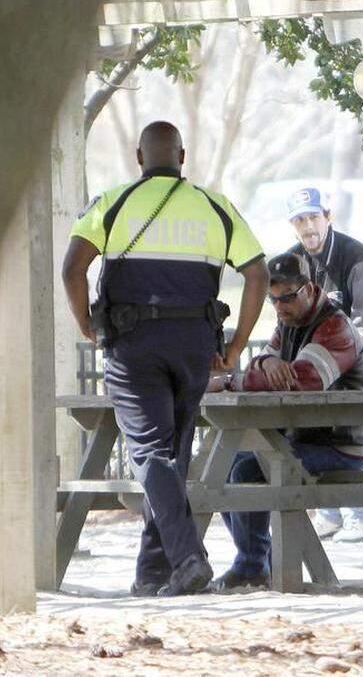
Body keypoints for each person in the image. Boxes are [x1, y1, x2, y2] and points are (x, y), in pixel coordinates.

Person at [61, 121, 268, 597]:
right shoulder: (215, 207)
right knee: (172, 456)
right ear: (183, 156)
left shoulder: (112, 204)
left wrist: (85, 325)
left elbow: (73, 267)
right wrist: (235, 348)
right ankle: (154, 572)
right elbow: (257, 273)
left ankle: (188, 557)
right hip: (195, 343)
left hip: (134, 345)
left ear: (139, 158)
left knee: (150, 453)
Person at [209, 251, 363, 590]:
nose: (280, 307)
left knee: (246, 471)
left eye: (287, 298)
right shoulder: (289, 323)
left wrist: (231, 381)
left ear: (310, 289)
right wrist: (266, 366)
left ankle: (253, 566)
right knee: (225, 465)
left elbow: (303, 379)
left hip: (342, 446)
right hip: (304, 439)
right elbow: (265, 363)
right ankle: (257, 562)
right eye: (273, 300)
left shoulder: (335, 326)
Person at [285, 186, 363, 542]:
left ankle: (359, 514)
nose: (308, 226)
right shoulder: (291, 263)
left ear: (328, 217)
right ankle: (329, 513)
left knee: (355, 431)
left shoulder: (357, 258)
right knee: (313, 433)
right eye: (300, 220)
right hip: (321, 369)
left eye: (314, 217)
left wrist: (339, 370)